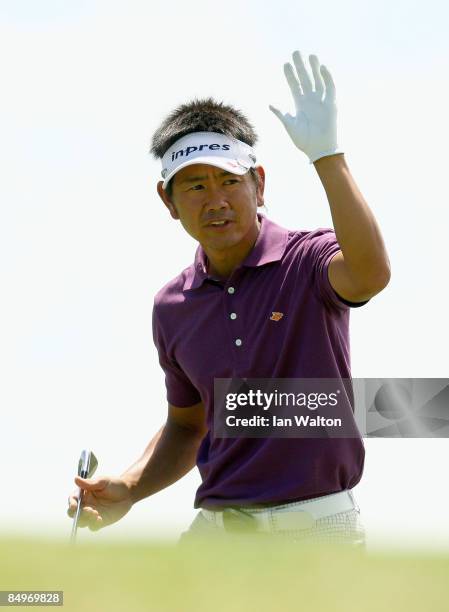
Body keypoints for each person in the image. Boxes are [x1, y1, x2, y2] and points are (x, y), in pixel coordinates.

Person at [68, 51, 390, 548]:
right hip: (216, 533)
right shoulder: (172, 305)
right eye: (195, 185)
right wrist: (130, 486)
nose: (215, 200)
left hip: (319, 531)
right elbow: (187, 424)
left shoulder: (307, 260)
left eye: (230, 181)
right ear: (168, 202)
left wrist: (327, 155)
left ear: (259, 185)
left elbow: (369, 274)